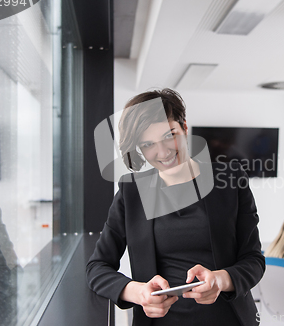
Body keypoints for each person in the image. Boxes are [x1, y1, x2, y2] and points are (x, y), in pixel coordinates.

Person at [86, 89, 265, 326]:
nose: (163, 152)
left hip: (228, 318)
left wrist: (220, 280)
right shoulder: (132, 192)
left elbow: (253, 259)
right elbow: (97, 267)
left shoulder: (230, 180)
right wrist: (138, 292)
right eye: (148, 144)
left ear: (184, 128)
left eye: (169, 135)